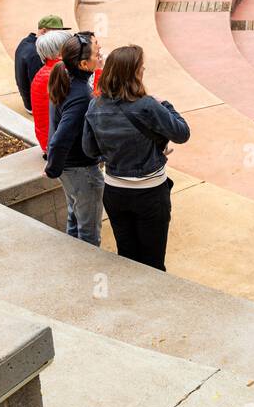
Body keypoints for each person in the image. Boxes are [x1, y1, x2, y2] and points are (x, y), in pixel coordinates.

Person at [82, 45, 190, 271]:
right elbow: (182, 133)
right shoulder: (147, 105)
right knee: (153, 262)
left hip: (114, 192)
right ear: (135, 73)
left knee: (127, 257)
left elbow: (90, 150)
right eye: (141, 67)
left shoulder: (95, 105)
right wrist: (166, 104)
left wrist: (115, 152)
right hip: (150, 193)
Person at [44, 31, 104, 246]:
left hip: (70, 170)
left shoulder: (65, 79)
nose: (100, 56)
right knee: (89, 232)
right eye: (97, 53)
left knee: (74, 216)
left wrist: (56, 167)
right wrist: (53, 168)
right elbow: (61, 137)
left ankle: (72, 259)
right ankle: (85, 271)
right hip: (82, 171)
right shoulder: (80, 95)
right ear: (83, 64)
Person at [15, 14, 70, 111]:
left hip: (27, 98)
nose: (59, 36)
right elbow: (40, 87)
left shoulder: (26, 41)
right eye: (56, 32)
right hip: (33, 105)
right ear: (44, 31)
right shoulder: (36, 53)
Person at [29, 29, 70, 151]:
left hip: (47, 139)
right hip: (56, 143)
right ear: (60, 52)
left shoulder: (44, 72)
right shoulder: (59, 74)